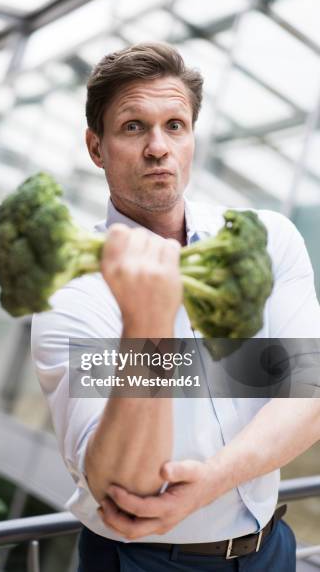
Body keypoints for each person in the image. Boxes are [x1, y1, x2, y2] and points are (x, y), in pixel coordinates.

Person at [31, 42, 320, 571]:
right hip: (139, 561)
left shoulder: (266, 238)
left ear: (191, 137)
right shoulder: (71, 291)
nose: (158, 147)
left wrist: (213, 480)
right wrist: (149, 321)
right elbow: (123, 485)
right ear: (96, 148)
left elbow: (310, 392)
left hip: (269, 551)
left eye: (175, 125)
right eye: (134, 127)